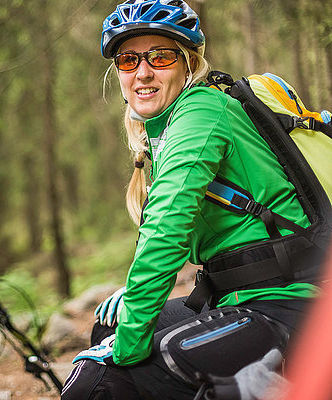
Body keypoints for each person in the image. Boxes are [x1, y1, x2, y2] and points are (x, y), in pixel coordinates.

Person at [61, 1, 327, 399]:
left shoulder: (200, 113)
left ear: (188, 62)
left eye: (161, 57)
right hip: (236, 294)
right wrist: (133, 301)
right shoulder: (168, 127)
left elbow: (167, 226)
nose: (143, 72)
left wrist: (130, 344)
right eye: (128, 60)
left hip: (289, 302)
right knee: (109, 328)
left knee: (99, 383)